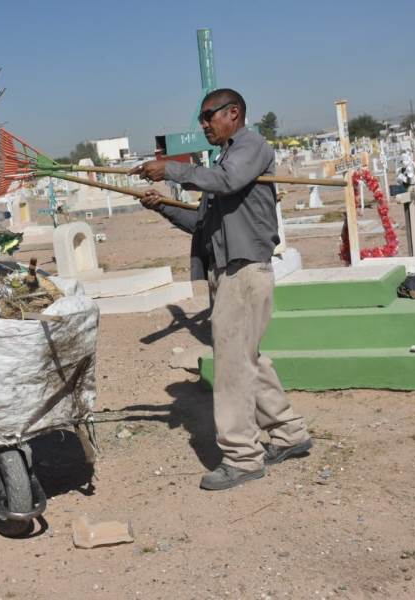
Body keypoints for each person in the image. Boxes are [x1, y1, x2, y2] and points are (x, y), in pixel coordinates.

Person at [130, 88, 312, 491]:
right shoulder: (224, 160)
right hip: (228, 272)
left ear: (233, 112)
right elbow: (202, 224)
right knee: (247, 359)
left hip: (245, 271)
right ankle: (289, 433)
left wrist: (172, 170)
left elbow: (228, 182)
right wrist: (161, 205)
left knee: (232, 367)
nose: (203, 124)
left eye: (208, 116)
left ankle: (243, 457)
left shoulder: (250, 147)